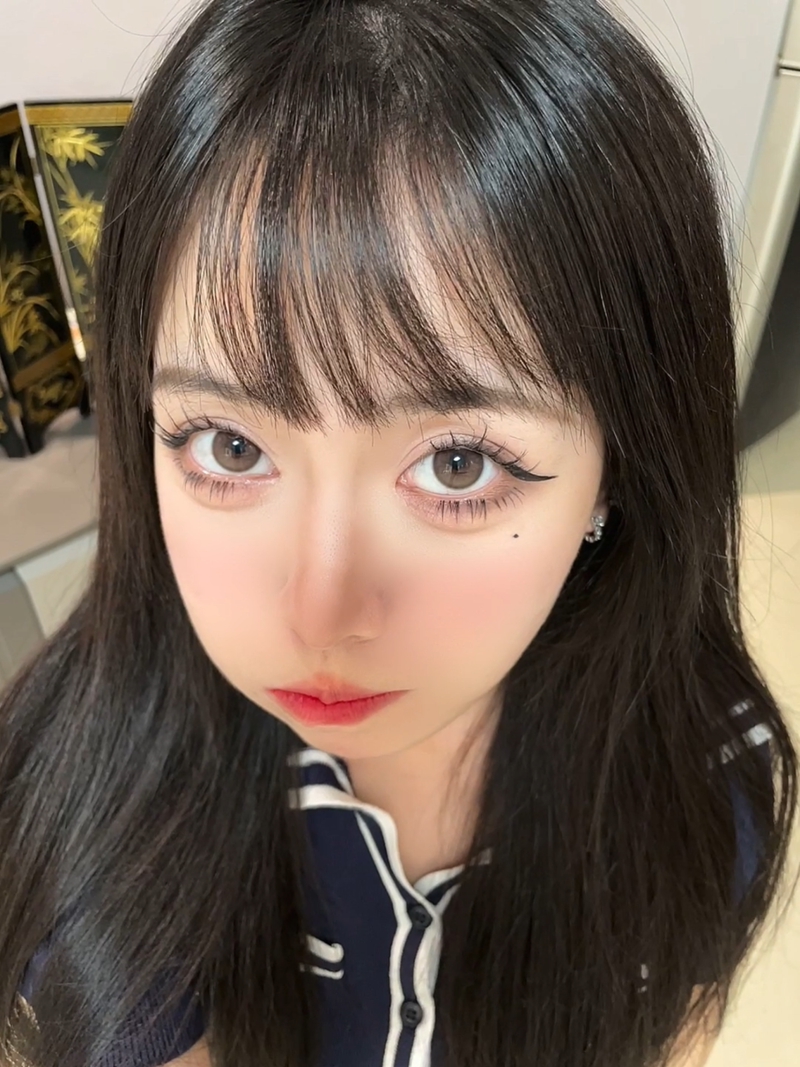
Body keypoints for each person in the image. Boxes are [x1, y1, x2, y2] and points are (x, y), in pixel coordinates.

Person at [0, 1, 796, 1065]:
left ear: (619, 467)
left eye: (457, 464)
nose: (320, 610)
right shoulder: (89, 827)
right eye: (229, 445)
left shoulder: (699, 769)